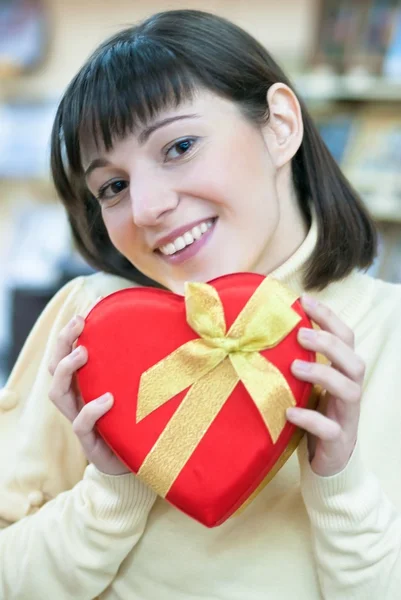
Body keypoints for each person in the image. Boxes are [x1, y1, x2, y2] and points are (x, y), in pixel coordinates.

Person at [0, 8, 400, 600]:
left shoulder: (390, 329)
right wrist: (113, 489)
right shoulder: (86, 327)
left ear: (280, 125)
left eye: (179, 146)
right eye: (112, 186)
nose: (146, 208)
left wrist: (339, 486)